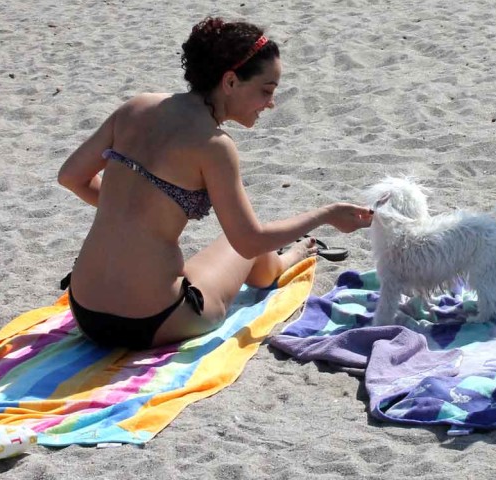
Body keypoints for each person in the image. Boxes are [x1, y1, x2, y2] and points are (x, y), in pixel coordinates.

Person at [57, 17, 373, 350]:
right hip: (150, 320)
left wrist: (132, 209)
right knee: (253, 243)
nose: (271, 103)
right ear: (231, 81)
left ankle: (288, 254)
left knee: (245, 238)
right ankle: (291, 256)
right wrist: (326, 214)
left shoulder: (136, 107)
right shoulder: (214, 145)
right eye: (266, 90)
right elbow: (249, 242)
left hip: (85, 312)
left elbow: (71, 177)